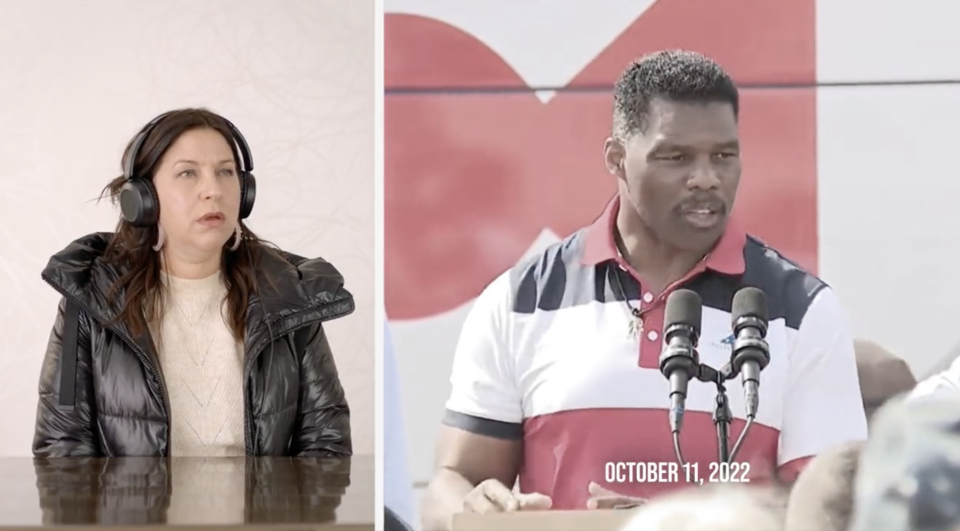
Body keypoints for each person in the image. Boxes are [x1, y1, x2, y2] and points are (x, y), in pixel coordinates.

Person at [421, 50, 867, 529]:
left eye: (724, 155)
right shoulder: (520, 301)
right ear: (617, 158)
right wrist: (476, 511)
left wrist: (673, 522)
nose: (705, 178)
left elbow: (834, 512)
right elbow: (451, 485)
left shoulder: (803, 310)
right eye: (676, 157)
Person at [33, 108, 354, 458]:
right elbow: (62, 456)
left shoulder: (291, 296)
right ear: (142, 198)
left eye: (226, 172)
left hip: (266, 514)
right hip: (133, 515)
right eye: (188, 173)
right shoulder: (89, 298)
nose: (213, 190)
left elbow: (327, 449)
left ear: (245, 192)